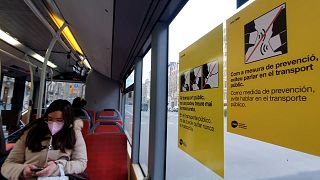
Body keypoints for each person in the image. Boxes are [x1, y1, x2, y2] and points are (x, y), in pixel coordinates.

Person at [1, 99, 87, 179]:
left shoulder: (73, 134)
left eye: (59, 120)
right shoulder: (31, 133)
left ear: (67, 121)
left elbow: (81, 163)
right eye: (50, 119)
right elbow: (8, 165)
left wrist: (57, 167)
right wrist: (22, 170)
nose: (53, 124)